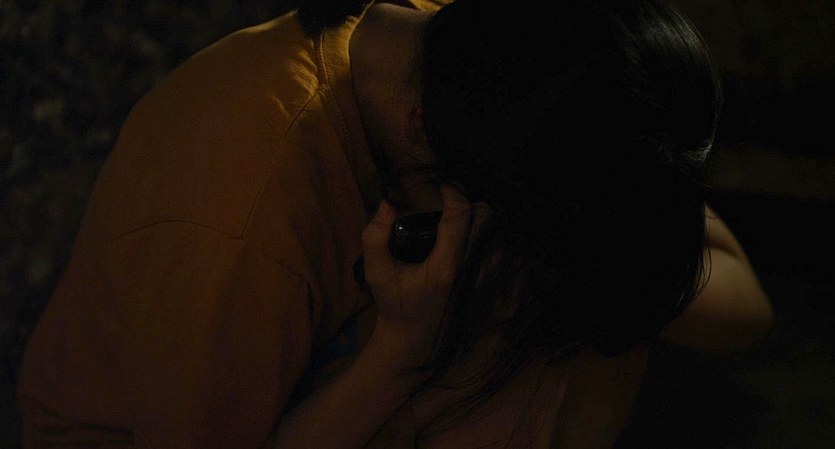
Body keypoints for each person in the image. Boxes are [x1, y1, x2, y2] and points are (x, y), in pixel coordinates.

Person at [16, 0, 773, 448]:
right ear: (420, 134)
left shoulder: (500, 61)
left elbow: (742, 312)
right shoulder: (234, 219)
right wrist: (401, 353)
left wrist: (616, 258)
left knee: (578, 309)